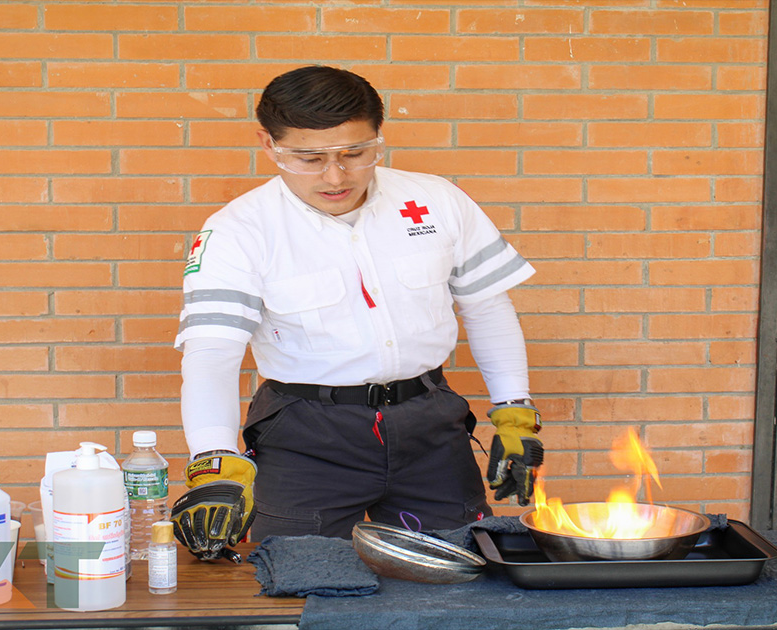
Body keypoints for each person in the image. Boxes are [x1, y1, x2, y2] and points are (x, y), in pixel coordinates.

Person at [170, 65, 545, 561]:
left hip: (430, 425)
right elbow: (211, 354)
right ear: (269, 145)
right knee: (295, 579)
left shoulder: (435, 201)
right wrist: (214, 460)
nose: (335, 175)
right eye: (309, 158)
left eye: (355, 153)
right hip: (306, 435)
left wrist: (514, 411)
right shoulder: (238, 232)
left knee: (460, 575)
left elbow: (487, 309)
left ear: (378, 138)